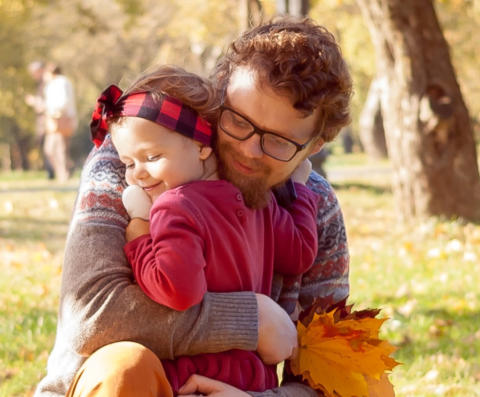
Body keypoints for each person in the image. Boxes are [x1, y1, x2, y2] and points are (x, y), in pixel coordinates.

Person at [35, 16, 351, 397]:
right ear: (219, 99)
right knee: (126, 366)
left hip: (242, 388)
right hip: (126, 385)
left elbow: (328, 369)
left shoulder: (312, 206)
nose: (249, 150)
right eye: (239, 121)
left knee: (371, 385)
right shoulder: (136, 163)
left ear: (313, 148)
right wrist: (252, 320)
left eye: (280, 141)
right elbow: (89, 316)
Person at [94, 64, 319, 394]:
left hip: (193, 375)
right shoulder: (259, 200)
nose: (137, 175)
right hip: (252, 379)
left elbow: (177, 289)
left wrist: (139, 235)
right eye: (129, 163)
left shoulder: (175, 207)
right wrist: (299, 192)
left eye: (152, 156)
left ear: (202, 146)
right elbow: (300, 253)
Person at [43, 63, 78, 182]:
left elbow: (64, 101)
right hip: (54, 120)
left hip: (62, 119)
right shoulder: (52, 84)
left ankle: (64, 174)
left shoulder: (61, 82)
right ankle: (63, 172)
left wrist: (54, 111)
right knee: (51, 149)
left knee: (60, 149)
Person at [25, 61, 55, 179]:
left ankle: (53, 172)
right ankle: (51, 172)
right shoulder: (41, 84)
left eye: (34, 73)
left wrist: (34, 101)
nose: (33, 76)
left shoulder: (48, 83)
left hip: (49, 120)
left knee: (50, 147)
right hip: (44, 120)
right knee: (46, 146)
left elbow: (49, 103)